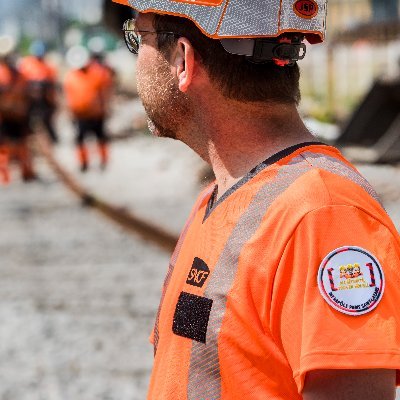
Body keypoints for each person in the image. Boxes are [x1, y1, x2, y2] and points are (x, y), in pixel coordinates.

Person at [112, 1, 400, 399]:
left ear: (182, 60)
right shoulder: (224, 196)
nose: (135, 59)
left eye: (139, 37)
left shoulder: (322, 214)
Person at [64, 46, 111, 171]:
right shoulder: (71, 76)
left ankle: (104, 161)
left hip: (97, 113)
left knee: (101, 137)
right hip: (80, 115)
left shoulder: (98, 72)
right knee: (80, 139)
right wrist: (69, 112)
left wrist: (106, 107)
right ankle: (83, 163)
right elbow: (68, 96)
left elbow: (105, 91)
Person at [0, 38, 36, 182]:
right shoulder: (2, 75)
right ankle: (4, 176)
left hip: (20, 116)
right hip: (3, 117)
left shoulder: (21, 75)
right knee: (3, 147)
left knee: (22, 144)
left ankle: (27, 172)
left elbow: (27, 94)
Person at [19, 40, 59, 144]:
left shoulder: (48, 66)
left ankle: (48, 143)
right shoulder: (26, 64)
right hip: (31, 102)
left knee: (46, 124)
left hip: (44, 102)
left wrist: (53, 102)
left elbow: (52, 86)